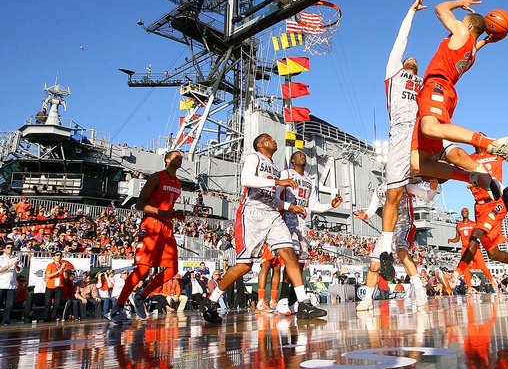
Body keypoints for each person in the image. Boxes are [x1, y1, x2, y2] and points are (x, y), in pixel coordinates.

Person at [374, 0, 501, 285]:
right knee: (395, 191)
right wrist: (411, 11)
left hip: (423, 123)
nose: (413, 59)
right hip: (400, 133)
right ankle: (384, 251)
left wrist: (479, 42)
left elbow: (458, 54)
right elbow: (401, 43)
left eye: (415, 61)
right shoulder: (393, 72)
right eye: (409, 60)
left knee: (448, 151)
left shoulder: (425, 82)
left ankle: (482, 176)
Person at [206, 134, 327, 320]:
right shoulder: (254, 157)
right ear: (261, 144)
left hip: (271, 213)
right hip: (252, 212)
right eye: (270, 138)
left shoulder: (276, 168)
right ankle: (212, 300)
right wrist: (277, 182)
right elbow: (245, 180)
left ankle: (304, 303)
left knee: (289, 253)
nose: (274, 140)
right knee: (245, 265)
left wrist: (290, 206)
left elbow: (275, 199)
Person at [409, 0, 508, 191]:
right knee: (417, 163)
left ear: (468, 27)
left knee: (429, 128)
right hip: (443, 90)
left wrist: (461, 3)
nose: (458, 23)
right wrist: (486, 40)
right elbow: (470, 41)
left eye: (461, 21)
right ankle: (473, 176)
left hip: (437, 85)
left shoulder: (462, 34)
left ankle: (496, 144)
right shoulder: (471, 50)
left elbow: (439, 8)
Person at [108, 151, 218, 324]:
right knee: (143, 269)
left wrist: (175, 214)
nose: (180, 159)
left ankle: (141, 296)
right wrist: (160, 212)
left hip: (167, 226)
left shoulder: (178, 182)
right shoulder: (156, 177)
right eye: (176, 157)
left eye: (181, 157)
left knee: (172, 270)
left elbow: (167, 209)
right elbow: (140, 204)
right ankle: (117, 307)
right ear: (167, 160)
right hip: (151, 224)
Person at [439, 147, 508, 294]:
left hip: (495, 202)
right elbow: (448, 172)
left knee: (475, 234)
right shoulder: (468, 157)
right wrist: (435, 176)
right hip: (479, 207)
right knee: (493, 253)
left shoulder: (496, 153)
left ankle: (454, 276)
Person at [270, 150, 342, 315]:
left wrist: (331, 205)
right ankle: (282, 300)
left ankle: (294, 303)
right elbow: (276, 200)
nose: (303, 156)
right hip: (287, 219)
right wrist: (291, 207)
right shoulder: (286, 174)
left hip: (302, 223)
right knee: (291, 261)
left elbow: (314, 206)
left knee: (300, 264)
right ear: (293, 160)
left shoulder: (309, 181)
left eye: (304, 155)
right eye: (299, 155)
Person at [353, 178, 437, 311]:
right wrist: (365, 215)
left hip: (404, 225)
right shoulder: (379, 190)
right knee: (374, 265)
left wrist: (433, 188)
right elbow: (371, 210)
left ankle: (420, 290)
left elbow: (428, 196)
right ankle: (367, 299)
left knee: (402, 252)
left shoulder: (406, 186)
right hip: (388, 229)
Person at [446, 208, 496, 292]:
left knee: (483, 266)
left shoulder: (473, 224)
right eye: (463, 212)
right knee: (465, 268)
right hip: (465, 248)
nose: (464, 213)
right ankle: (469, 287)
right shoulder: (459, 225)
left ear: (468, 213)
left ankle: (492, 282)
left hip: (475, 248)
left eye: (465, 212)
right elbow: (457, 238)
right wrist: (451, 240)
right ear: (461, 214)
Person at [44, 250, 73, 321]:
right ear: (53, 257)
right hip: (50, 286)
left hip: (59, 286)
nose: (59, 256)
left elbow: (66, 277)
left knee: (56, 304)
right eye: (57, 255)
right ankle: (46, 318)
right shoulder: (50, 265)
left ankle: (53, 317)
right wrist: (59, 270)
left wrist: (64, 270)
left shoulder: (62, 265)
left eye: (60, 255)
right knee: (48, 303)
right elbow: (49, 275)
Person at [0, 243, 22, 325]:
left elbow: (20, 270)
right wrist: (10, 265)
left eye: (11, 248)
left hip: (11, 284)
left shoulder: (15, 258)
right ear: (4, 249)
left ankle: (6, 320)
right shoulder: (1, 258)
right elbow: (0, 270)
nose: (10, 249)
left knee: (9, 305)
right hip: (1, 284)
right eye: (8, 248)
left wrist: (16, 266)